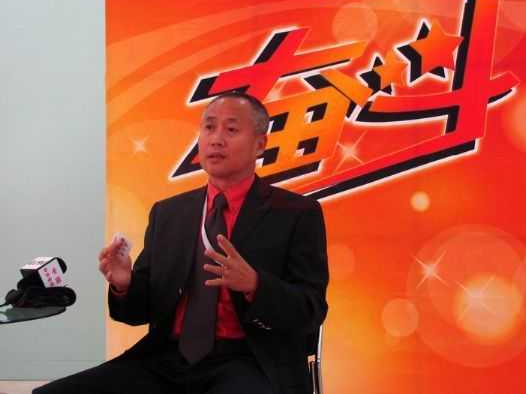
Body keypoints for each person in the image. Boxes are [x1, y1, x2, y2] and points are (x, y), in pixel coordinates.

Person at [34, 91, 329, 394]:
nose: (216, 139)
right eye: (209, 127)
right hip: (166, 358)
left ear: (260, 144)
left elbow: (312, 310)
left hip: (250, 360)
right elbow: (137, 313)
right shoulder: (169, 213)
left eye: (231, 129)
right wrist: (125, 285)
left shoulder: (295, 213)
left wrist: (256, 284)